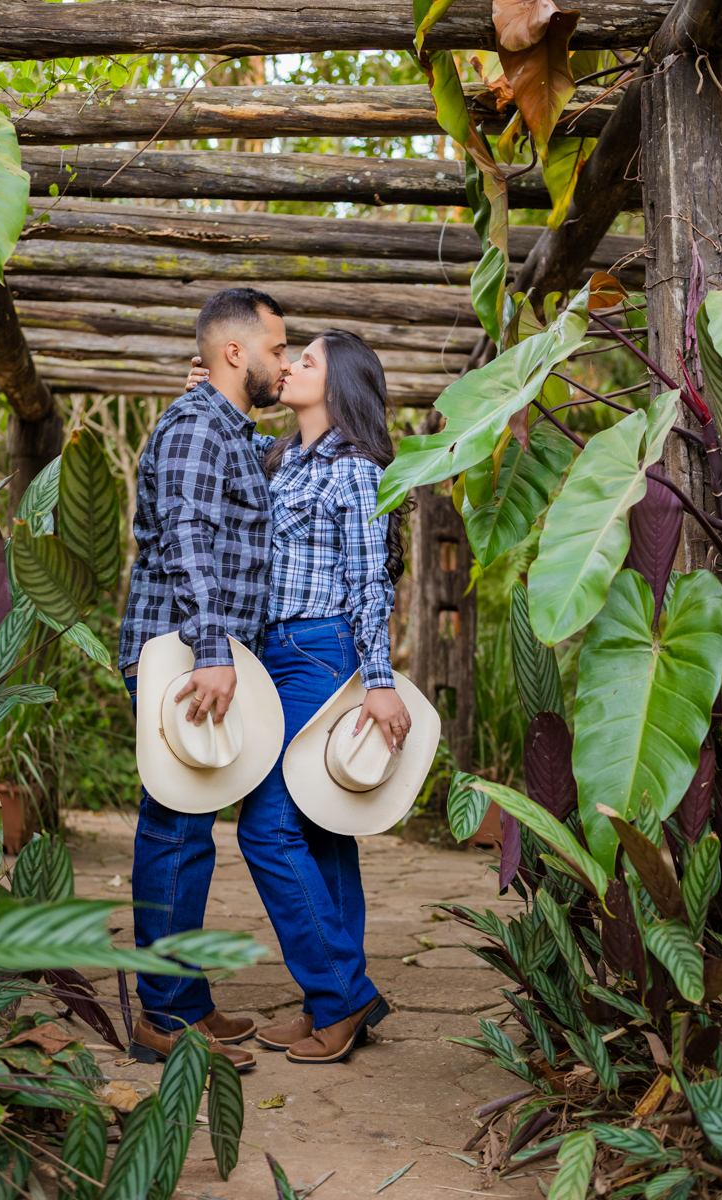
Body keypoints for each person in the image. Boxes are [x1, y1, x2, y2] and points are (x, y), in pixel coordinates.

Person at [184, 328, 412, 1064]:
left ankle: (340, 999)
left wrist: (377, 679)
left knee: (266, 829)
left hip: (319, 650)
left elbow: (369, 582)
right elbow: (229, 450)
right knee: (318, 825)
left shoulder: (353, 471)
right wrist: (207, 396)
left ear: (339, 383)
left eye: (304, 359)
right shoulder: (281, 459)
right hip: (273, 652)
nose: (287, 366)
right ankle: (336, 1001)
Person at [118, 287, 291, 1069]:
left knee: (190, 830)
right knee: (175, 828)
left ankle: (183, 997)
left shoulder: (222, 427)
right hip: (184, 654)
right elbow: (187, 536)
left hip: (200, 651)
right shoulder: (196, 425)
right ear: (235, 352)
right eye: (278, 349)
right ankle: (161, 1014)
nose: (283, 364)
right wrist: (215, 652)